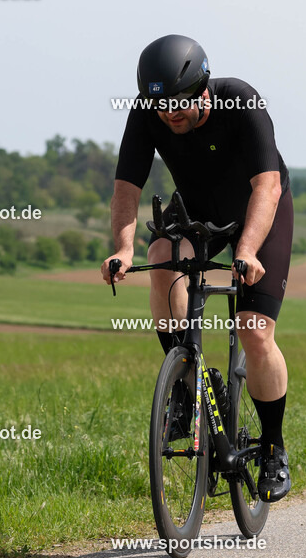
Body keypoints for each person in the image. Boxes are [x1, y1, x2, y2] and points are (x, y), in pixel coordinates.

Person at [101, 34, 295, 502]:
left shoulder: (241, 101)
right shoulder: (148, 112)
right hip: (198, 211)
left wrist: (246, 251)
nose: (170, 114)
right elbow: (127, 187)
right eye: (162, 105)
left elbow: (266, 187)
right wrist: (124, 250)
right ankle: (185, 379)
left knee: (254, 330)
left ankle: (273, 447)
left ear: (203, 88)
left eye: (179, 104)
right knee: (161, 255)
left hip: (257, 211)